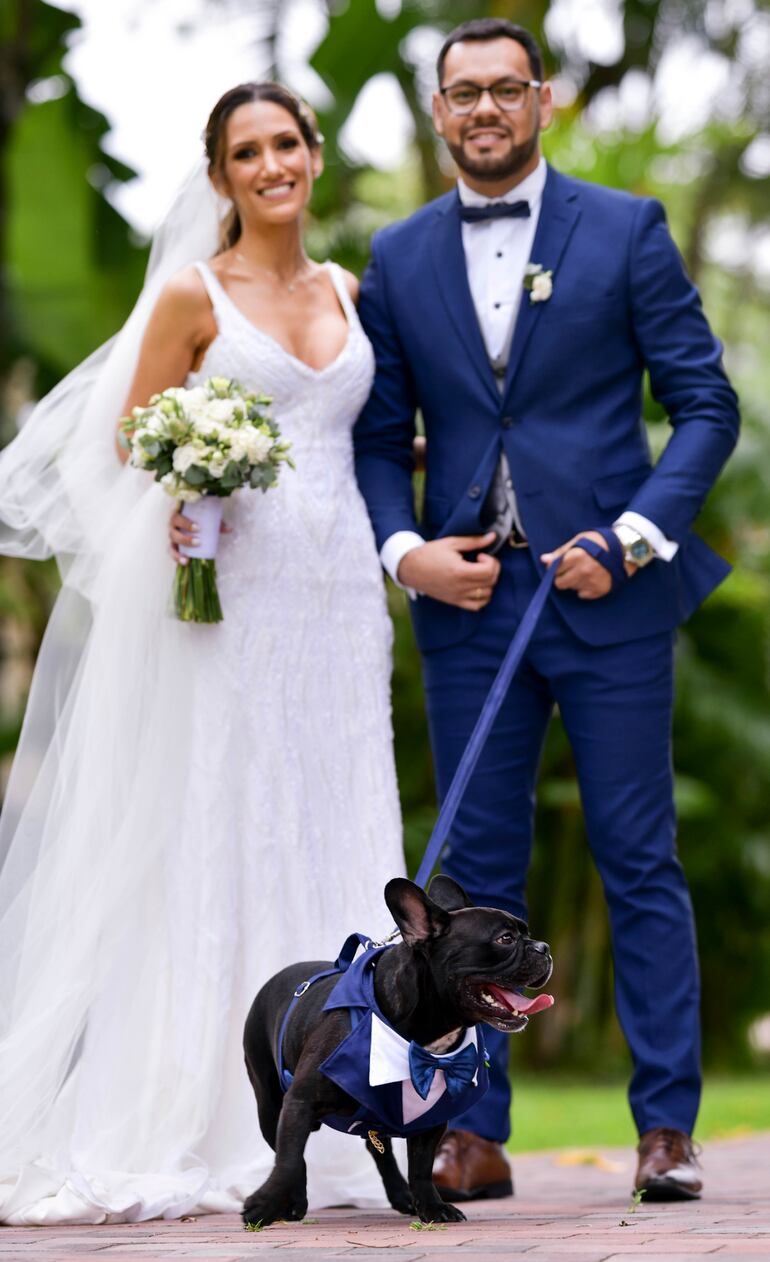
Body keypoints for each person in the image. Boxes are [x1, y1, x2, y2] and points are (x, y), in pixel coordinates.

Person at [0, 82, 404, 1225]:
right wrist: (186, 485)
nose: (271, 163)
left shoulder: (345, 288)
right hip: (233, 601)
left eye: (286, 142)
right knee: (221, 826)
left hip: (337, 608)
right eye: (246, 150)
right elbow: (125, 439)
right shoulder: (192, 290)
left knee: (332, 819)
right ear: (219, 176)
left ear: (314, 157)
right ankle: (211, 1108)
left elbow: (367, 431)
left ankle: (339, 1103)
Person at [354, 18, 739, 1204]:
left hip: (605, 597)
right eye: (461, 92)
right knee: (470, 875)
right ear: (436, 110)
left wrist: (627, 539)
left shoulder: (623, 230)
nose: (483, 109)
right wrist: (409, 550)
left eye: (503, 89)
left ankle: (665, 1127)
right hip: (469, 604)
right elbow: (376, 439)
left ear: (541, 100)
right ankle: (473, 1129)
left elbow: (704, 406)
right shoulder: (398, 254)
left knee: (638, 857)